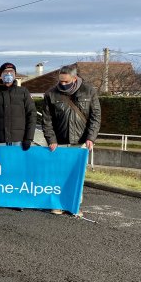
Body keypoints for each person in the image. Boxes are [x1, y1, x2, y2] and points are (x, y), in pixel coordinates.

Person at [42, 64, 101, 216]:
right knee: (58, 174)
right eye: (60, 81)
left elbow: (95, 117)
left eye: (66, 81)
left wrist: (91, 138)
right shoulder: (50, 94)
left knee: (77, 175)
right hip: (59, 142)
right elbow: (47, 121)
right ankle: (57, 204)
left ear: (74, 79)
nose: (62, 84)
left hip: (80, 142)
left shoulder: (89, 91)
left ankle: (74, 205)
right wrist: (51, 139)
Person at [0, 62, 36, 151]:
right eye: (5, 72)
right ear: (1, 75)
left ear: (15, 75)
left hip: (19, 141)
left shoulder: (23, 92)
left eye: (11, 72)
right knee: (0, 164)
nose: (9, 74)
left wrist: (28, 138)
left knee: (17, 164)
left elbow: (32, 115)